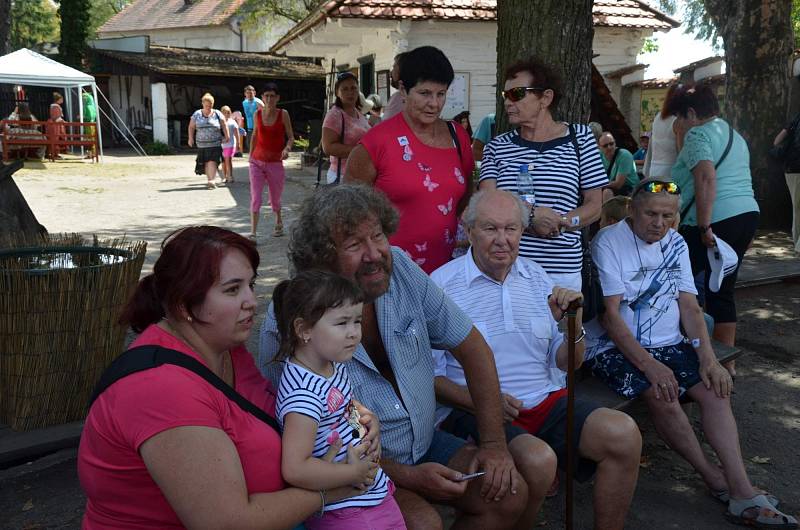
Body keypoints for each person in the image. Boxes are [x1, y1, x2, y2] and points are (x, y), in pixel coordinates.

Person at [259, 184, 531, 530]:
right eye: (354, 245)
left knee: (507, 492)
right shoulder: (295, 321)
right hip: (350, 470)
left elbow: (472, 346)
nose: (374, 254)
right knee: (422, 524)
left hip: (424, 442)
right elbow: (302, 447)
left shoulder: (398, 266)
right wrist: (408, 477)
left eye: (377, 236)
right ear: (322, 258)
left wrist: (494, 445)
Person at [78, 226, 380, 529]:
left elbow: (294, 411)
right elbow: (227, 523)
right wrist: (332, 490)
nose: (251, 300)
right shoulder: (162, 389)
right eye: (232, 290)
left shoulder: (224, 348)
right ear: (185, 305)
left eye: (251, 284)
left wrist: (352, 416)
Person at [589, 179, 796, 529]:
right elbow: (611, 317)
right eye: (650, 214)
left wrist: (709, 359)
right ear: (632, 211)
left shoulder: (676, 242)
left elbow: (690, 305)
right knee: (662, 392)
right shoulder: (608, 242)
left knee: (717, 388)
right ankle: (715, 479)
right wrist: (650, 365)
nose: (659, 223)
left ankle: (740, 488)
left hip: (670, 341)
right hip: (615, 347)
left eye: (667, 216)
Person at [432, 190, 642, 530]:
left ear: (521, 232)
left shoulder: (537, 279)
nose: (502, 240)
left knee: (623, 434)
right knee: (538, 459)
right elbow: (429, 378)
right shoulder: (441, 287)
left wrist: (573, 323)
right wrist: (482, 402)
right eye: (490, 229)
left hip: (545, 400)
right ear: (469, 231)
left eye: (511, 229)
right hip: (473, 410)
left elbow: (566, 363)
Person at [273, 270, 406, 529]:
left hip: (367, 496)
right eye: (342, 323)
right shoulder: (303, 394)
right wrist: (352, 473)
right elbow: (295, 468)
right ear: (304, 329)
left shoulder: (331, 366)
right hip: (345, 510)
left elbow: (342, 408)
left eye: (356, 321)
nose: (354, 333)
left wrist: (367, 418)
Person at [478, 56, 605, 291]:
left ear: (545, 97)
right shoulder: (497, 147)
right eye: (505, 95)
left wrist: (563, 223)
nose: (507, 102)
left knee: (560, 329)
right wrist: (531, 215)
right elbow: (486, 203)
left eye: (516, 94)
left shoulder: (580, 138)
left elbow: (595, 205)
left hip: (562, 272)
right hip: (509, 268)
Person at [346, 46, 474, 274]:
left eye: (441, 94)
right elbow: (348, 213)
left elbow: (464, 198)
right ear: (403, 90)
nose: (434, 103)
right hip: (390, 274)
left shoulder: (458, 136)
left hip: (448, 274)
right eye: (424, 93)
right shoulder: (376, 142)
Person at [670, 82, 760, 376]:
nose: (678, 124)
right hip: (746, 214)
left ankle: (683, 352)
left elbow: (706, 177)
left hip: (711, 220)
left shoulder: (698, 133)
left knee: (677, 285)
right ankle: (726, 363)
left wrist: (705, 225)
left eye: (680, 117)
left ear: (692, 113)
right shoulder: (734, 135)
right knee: (721, 289)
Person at [248, 83, 294, 239]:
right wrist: (250, 155)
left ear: (277, 98)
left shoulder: (283, 114)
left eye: (272, 96)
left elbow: (291, 136)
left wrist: (287, 149)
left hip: (275, 162)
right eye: (266, 95)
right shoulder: (257, 114)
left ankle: (278, 222)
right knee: (256, 197)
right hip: (257, 161)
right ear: (262, 98)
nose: (269, 99)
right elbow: (254, 135)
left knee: (275, 197)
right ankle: (253, 232)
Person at [321, 72, 370, 184]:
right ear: (337, 93)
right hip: (342, 176)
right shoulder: (335, 115)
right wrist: (360, 151)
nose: (350, 92)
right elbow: (328, 147)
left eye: (353, 88)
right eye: (345, 89)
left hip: (361, 176)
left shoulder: (358, 113)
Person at [188, 93, 229, 189]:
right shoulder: (197, 114)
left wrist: (227, 136)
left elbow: (224, 125)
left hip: (215, 142)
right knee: (206, 162)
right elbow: (191, 127)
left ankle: (211, 180)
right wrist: (190, 138)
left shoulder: (217, 113)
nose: (208, 107)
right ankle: (210, 179)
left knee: (212, 161)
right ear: (202, 103)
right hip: (202, 144)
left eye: (210, 105)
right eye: (206, 105)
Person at [772, 110, 800, 254]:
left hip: (791, 168)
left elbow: (777, 141)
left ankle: (797, 243)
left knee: (797, 209)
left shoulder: (796, 118)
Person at [643, 84, 681, 180]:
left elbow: (651, 146)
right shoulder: (677, 121)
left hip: (654, 169)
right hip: (670, 171)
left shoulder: (658, 117)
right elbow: (681, 152)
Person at [599, 132, 639, 197]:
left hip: (630, 189)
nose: (609, 147)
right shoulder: (598, 155)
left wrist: (597, 185)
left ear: (615, 143)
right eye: (605, 146)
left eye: (611, 144)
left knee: (607, 192)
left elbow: (618, 184)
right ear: (600, 147)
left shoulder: (624, 155)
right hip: (609, 185)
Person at [220, 105, 240, 185]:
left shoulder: (232, 122)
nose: (226, 114)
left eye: (228, 112)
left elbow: (236, 133)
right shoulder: (219, 122)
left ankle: (230, 176)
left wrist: (238, 143)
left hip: (231, 144)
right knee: (223, 161)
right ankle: (224, 176)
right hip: (221, 145)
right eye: (224, 112)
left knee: (228, 160)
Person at [383, 53, 407, 120]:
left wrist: (376, 121)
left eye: (394, 67)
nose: (390, 74)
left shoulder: (398, 97)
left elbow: (386, 127)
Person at [241, 85, 264, 154]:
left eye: (251, 93)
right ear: (245, 94)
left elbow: (265, 115)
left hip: (259, 128)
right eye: (248, 93)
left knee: (259, 146)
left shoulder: (258, 102)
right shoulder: (244, 102)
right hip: (249, 127)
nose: (249, 95)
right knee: (249, 145)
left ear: (254, 93)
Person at [49, 91, 65, 158]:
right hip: (55, 125)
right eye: (61, 99)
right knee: (55, 138)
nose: (62, 100)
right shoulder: (55, 107)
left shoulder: (55, 106)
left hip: (56, 124)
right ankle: (54, 153)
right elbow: (56, 117)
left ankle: (55, 153)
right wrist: (62, 121)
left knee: (56, 139)